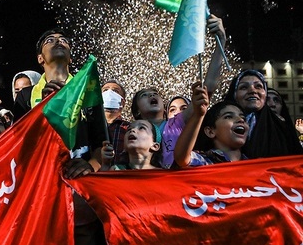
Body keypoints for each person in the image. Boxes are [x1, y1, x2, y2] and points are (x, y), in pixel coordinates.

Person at [15, 28, 107, 245]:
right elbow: (16, 147)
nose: (60, 41)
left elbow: (102, 146)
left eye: (65, 39)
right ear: (40, 58)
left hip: (80, 205)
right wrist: (44, 105)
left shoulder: (87, 90)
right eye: (50, 40)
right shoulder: (25, 97)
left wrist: (91, 164)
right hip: (40, 207)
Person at [131, 15, 227, 168]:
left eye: (155, 93)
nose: (152, 95)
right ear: (136, 112)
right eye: (144, 95)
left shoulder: (176, 123)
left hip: (180, 187)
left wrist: (220, 42)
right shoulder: (132, 133)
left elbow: (208, 88)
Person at [224, 69, 303, 158]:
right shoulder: (223, 126)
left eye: (258, 86)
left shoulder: (281, 127)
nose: (252, 91)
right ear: (234, 94)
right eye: (244, 87)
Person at [173, 82, 249, 167]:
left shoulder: (254, 165)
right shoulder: (204, 162)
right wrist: (198, 114)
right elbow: (181, 157)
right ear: (210, 131)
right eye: (228, 117)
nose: (240, 120)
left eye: (243, 118)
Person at [101, 79, 130, 166]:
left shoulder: (130, 128)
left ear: (122, 102)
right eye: (105, 90)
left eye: (115, 91)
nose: (109, 93)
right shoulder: (87, 126)